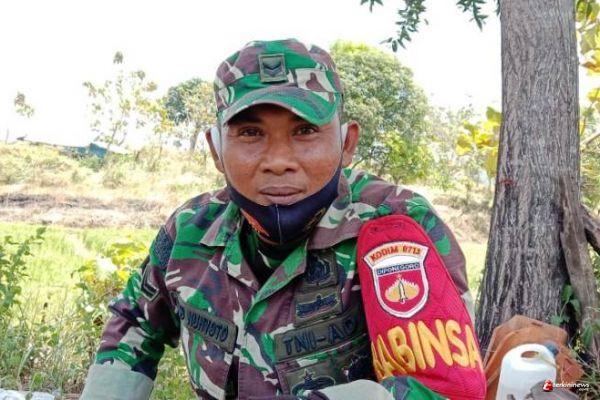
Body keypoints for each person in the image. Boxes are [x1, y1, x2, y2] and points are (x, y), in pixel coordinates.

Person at [80, 38, 478, 400]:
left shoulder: (395, 229)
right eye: (250, 133)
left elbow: (443, 390)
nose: (278, 161)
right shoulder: (190, 231)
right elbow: (134, 320)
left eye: (304, 130)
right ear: (216, 150)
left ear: (347, 143)